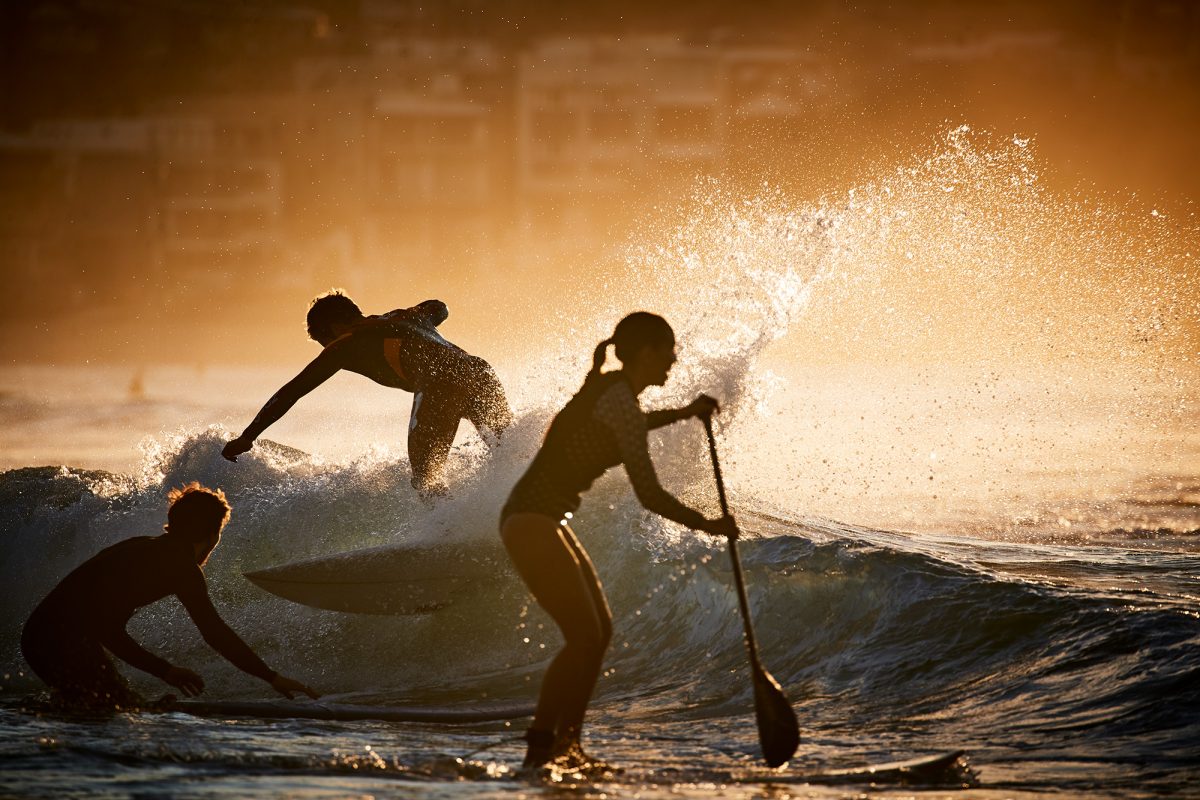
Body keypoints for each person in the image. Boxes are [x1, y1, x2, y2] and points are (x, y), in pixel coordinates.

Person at [500, 312, 738, 770]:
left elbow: (633, 424)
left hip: (537, 518)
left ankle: (567, 746)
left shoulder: (610, 388)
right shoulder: (620, 401)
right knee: (583, 636)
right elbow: (648, 494)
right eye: (668, 352)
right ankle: (543, 748)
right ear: (646, 352)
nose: (674, 361)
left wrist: (684, 413)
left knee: (597, 632)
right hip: (532, 522)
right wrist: (708, 524)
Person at [21, 483, 318, 710]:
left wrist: (163, 672)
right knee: (110, 710)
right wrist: (271, 677)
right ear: (211, 535)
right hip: (58, 640)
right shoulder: (180, 567)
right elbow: (213, 632)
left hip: (43, 635)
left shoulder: (142, 547)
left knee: (108, 705)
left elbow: (102, 626)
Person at [222, 291, 513, 497]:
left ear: (334, 328)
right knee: (509, 453)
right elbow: (439, 306)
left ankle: (451, 539)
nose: (325, 348)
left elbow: (292, 391)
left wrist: (249, 435)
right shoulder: (406, 317)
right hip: (479, 373)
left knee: (425, 479)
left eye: (321, 340)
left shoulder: (346, 342)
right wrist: (401, 318)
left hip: (440, 385)